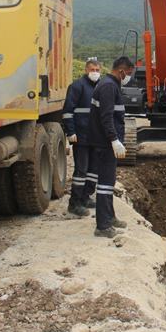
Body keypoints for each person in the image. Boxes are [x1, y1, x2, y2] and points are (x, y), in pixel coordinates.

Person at [87, 56, 133, 238]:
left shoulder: (110, 84)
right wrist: (114, 140)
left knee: (109, 181)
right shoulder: (108, 87)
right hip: (105, 143)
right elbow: (106, 117)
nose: (128, 77)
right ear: (121, 71)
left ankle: (110, 216)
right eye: (127, 74)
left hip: (105, 142)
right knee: (105, 184)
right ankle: (103, 226)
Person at [63, 59, 102, 217]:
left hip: (95, 137)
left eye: (98, 70)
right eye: (92, 69)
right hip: (80, 137)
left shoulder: (100, 87)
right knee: (81, 170)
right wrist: (70, 132)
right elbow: (67, 111)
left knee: (93, 170)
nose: (95, 72)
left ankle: (86, 197)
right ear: (86, 70)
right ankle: (75, 203)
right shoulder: (77, 86)